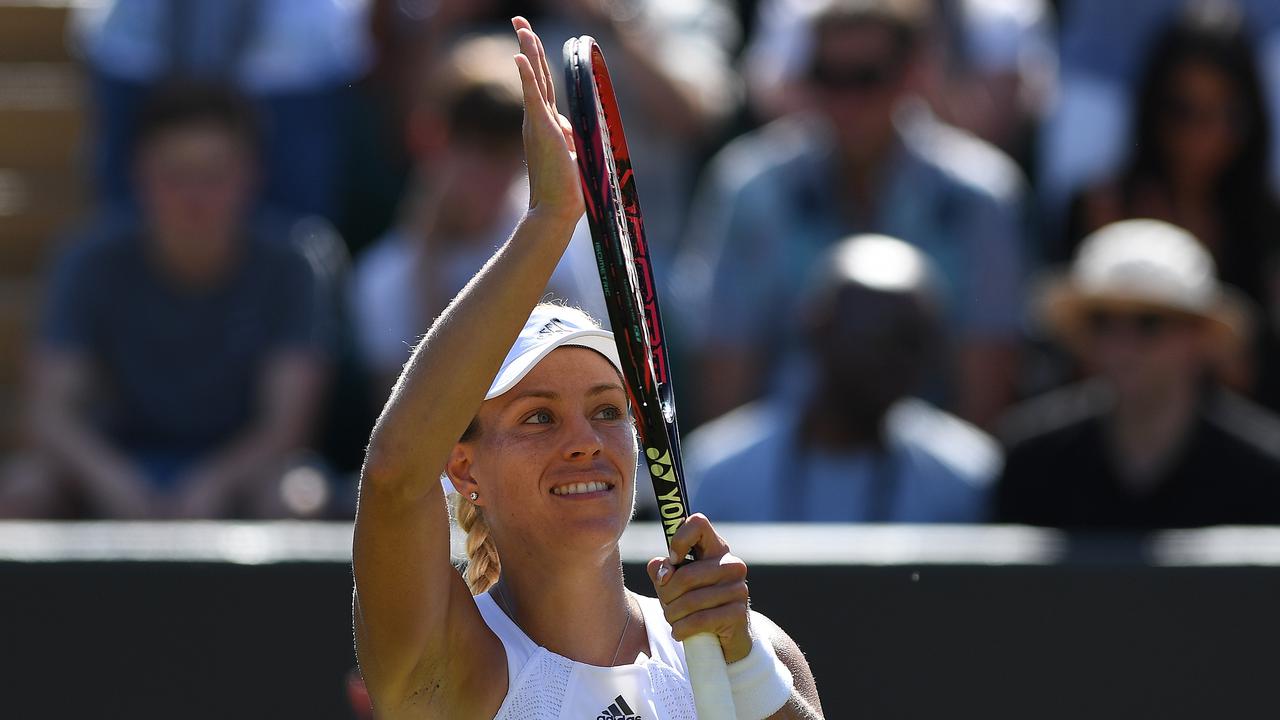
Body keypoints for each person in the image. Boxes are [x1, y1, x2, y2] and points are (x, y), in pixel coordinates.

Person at [352, 18, 823, 719]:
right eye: (538, 417)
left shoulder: (757, 650)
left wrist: (745, 665)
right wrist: (549, 220)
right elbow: (394, 474)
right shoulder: (451, 668)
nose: (585, 441)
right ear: (463, 468)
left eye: (607, 409)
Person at [680, 0, 1027, 428]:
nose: (845, 101)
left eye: (866, 77)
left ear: (913, 76)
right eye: (827, 77)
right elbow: (725, 382)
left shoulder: (982, 194)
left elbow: (984, 396)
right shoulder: (748, 185)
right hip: (784, 445)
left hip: (925, 448)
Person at [0, 83, 331, 519]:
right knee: (24, 488)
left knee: (299, 495)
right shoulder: (86, 260)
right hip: (112, 467)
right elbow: (49, 414)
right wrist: (111, 478)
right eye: (175, 175)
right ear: (139, 174)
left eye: (214, 175)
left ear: (251, 176)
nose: (195, 196)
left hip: (242, 476)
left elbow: (286, 428)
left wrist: (214, 481)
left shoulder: (293, 264)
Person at [351, 32, 603, 401]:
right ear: (430, 138)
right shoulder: (380, 278)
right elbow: (416, 413)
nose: (492, 173)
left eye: (509, 149)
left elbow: (561, 367)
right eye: (476, 146)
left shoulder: (569, 232)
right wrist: (426, 260)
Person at [687, 234, 999, 522]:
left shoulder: (967, 478)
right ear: (816, 331)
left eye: (910, 341)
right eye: (872, 334)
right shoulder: (718, 473)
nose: (892, 358)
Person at [997, 219, 1280, 529]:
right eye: (1103, 321)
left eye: (1149, 322)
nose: (1123, 345)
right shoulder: (1034, 460)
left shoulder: (1263, 470)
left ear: (1197, 336)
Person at [1064, 0, 1280, 406]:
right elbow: (1074, 367)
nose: (1203, 134)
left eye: (1227, 113)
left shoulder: (1267, 226)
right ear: (1152, 110)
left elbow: (1260, 382)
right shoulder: (1102, 207)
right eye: (1184, 111)